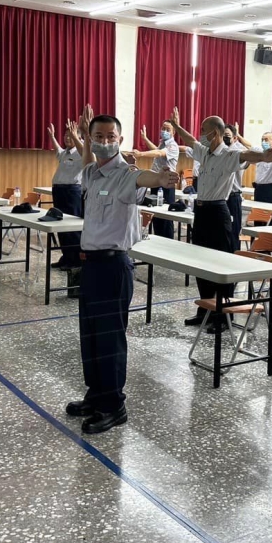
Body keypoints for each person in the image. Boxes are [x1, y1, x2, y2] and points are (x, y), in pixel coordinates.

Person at [65, 106, 179, 435]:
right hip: (90, 265)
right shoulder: (91, 173)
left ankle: (113, 406)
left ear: (120, 139)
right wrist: (84, 138)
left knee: (109, 339)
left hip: (114, 266)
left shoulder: (126, 173)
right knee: (90, 336)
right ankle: (95, 394)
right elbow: (87, 160)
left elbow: (145, 178)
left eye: (110, 136)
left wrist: (162, 178)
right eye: (98, 137)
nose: (104, 142)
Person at [171, 108, 272, 330]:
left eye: (204, 130)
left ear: (215, 133)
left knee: (220, 263)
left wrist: (263, 157)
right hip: (201, 212)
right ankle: (206, 309)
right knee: (200, 262)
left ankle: (222, 315)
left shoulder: (229, 154)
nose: (201, 134)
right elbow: (191, 141)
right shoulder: (205, 152)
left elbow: (246, 156)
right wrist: (177, 127)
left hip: (218, 212)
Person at [47, 119, 85, 268]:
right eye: (65, 135)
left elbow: (87, 154)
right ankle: (66, 257)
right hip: (59, 191)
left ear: (79, 137)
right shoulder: (66, 153)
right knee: (61, 226)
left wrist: (77, 136)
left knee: (71, 227)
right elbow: (58, 151)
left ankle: (75, 260)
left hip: (72, 192)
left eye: (71, 135)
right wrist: (52, 136)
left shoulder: (81, 152)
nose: (67, 138)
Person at [134, 121, 180, 239]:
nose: (164, 131)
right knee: (157, 217)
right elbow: (156, 149)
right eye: (163, 128)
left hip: (166, 185)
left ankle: (167, 242)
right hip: (156, 182)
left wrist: (141, 154)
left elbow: (159, 153)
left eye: (168, 129)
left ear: (173, 132)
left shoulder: (172, 145)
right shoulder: (163, 143)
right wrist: (145, 139)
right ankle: (158, 241)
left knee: (165, 219)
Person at [252, 132, 272, 217]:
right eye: (262, 140)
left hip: (270, 188)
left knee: (269, 215)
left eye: (266, 140)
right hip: (258, 188)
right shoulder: (260, 153)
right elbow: (249, 145)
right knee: (257, 215)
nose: (263, 142)